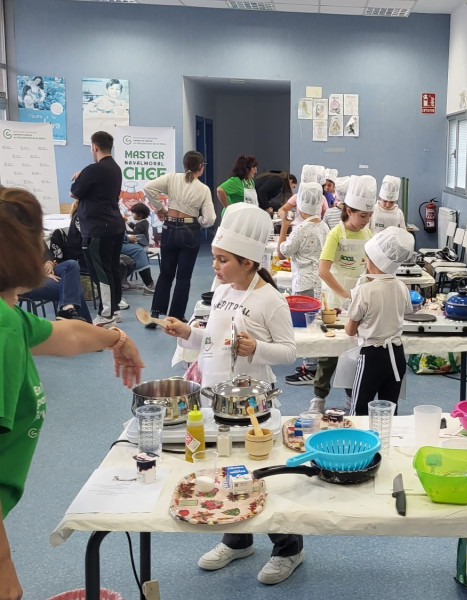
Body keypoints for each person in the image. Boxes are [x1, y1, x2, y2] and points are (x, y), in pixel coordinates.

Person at [0, 186, 144, 600]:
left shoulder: (11, 317)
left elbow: (66, 335)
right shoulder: (4, 330)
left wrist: (115, 338)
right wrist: (4, 567)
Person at [161, 203, 300, 586]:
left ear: (250, 262)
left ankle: (289, 547)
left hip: (254, 403)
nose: (215, 266)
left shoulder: (270, 299)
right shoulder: (222, 290)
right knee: (224, 468)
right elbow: (216, 338)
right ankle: (237, 540)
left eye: (223, 260)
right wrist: (188, 332)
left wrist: (255, 347)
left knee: (261, 473)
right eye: (216, 258)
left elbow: (289, 352)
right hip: (216, 397)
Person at [308, 175, 375, 414]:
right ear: (348, 210)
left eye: (369, 216)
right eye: (362, 216)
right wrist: (346, 295)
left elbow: (369, 268)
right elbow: (323, 271)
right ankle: (318, 398)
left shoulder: (368, 236)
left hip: (358, 299)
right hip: (335, 300)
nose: (366, 221)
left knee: (354, 352)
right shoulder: (336, 233)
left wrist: (364, 293)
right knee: (330, 354)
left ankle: (351, 399)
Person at [343, 227, 415, 414]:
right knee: (389, 411)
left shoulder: (365, 290)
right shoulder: (402, 287)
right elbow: (405, 312)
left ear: (371, 259)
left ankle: (359, 443)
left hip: (372, 357)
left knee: (359, 410)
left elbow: (350, 330)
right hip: (397, 355)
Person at [144, 150, 216, 324]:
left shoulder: (171, 178)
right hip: (189, 230)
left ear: (185, 165)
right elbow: (210, 219)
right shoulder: (203, 189)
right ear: (201, 167)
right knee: (183, 277)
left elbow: (148, 188)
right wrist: (198, 221)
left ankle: (155, 312)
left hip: (169, 227)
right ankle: (175, 315)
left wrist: (160, 208)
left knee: (165, 273)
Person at [70, 130, 124, 327]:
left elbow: (74, 192)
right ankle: (115, 309)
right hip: (115, 226)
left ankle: (106, 313)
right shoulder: (115, 168)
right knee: (111, 268)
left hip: (99, 229)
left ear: (94, 147)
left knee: (101, 271)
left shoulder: (93, 170)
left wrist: (80, 176)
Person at [278, 182, 329, 385]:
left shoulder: (301, 230)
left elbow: (283, 252)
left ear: (299, 206)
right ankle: (313, 365)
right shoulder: (324, 226)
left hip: (304, 282)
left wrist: (284, 227)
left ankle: (310, 369)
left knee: (305, 328)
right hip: (320, 280)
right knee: (315, 323)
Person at [22, 255, 92, 322]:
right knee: (71, 286)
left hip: (41, 272)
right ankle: (86, 327)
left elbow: (46, 251)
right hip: (25, 280)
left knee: (72, 264)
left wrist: (49, 262)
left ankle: (67, 310)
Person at [120, 202, 156, 294]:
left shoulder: (143, 223)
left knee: (138, 249)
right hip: (117, 242)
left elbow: (131, 231)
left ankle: (123, 281)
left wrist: (127, 236)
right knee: (138, 251)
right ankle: (149, 284)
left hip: (122, 240)